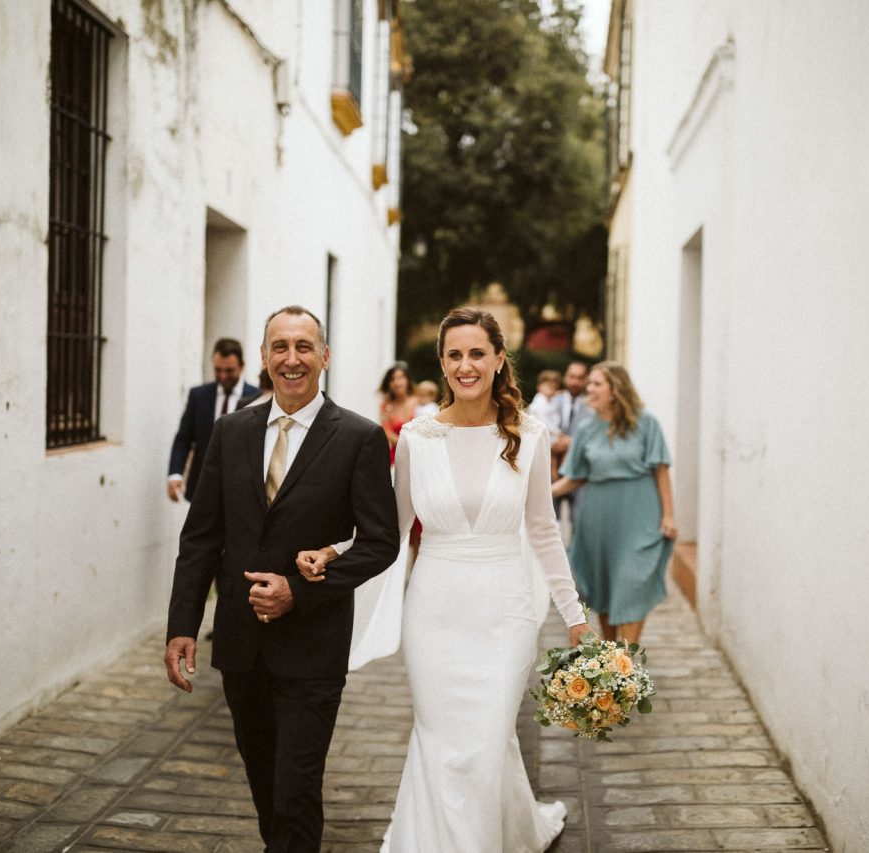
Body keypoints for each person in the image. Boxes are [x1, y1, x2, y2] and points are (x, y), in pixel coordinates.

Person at [297, 307, 588, 852]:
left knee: (483, 739)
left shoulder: (530, 436)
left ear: (500, 359)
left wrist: (574, 615)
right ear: (442, 362)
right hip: (435, 611)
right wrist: (334, 550)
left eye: (477, 353)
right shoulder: (417, 437)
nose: (465, 365)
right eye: (454, 355)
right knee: (442, 740)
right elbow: (389, 526)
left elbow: (544, 532)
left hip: (506, 610)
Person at [163, 306, 399, 850]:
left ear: (325, 357)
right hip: (242, 646)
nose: (292, 359)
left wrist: (302, 589)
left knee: (296, 791)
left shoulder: (358, 438)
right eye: (280, 347)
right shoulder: (229, 431)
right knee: (266, 787)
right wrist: (183, 623)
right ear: (265, 357)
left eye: (304, 347)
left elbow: (381, 541)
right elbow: (201, 537)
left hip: (313, 647)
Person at [552, 362, 677, 645]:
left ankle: (628, 661)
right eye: (590, 384)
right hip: (598, 517)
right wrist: (538, 494)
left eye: (597, 384)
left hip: (640, 512)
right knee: (604, 587)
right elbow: (574, 478)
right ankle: (611, 658)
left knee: (631, 582)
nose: (589, 389)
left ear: (615, 389)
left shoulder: (646, 423)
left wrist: (669, 515)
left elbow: (661, 469)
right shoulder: (585, 429)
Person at [167, 338, 259, 502]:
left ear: (242, 365)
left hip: (241, 492)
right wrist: (175, 474)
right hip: (201, 488)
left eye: (229, 371)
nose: (223, 376)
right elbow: (183, 439)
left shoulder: (257, 398)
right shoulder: (198, 395)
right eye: (218, 370)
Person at [550, 361, 594, 526]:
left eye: (580, 377)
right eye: (572, 377)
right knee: (551, 521)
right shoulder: (553, 400)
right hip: (553, 469)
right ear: (565, 378)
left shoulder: (592, 404)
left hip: (579, 470)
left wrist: (572, 443)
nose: (575, 381)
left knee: (579, 520)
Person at [379, 362, 417, 463]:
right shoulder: (386, 406)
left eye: (400, 378)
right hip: (395, 457)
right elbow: (386, 431)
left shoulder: (418, 403)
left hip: (416, 455)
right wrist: (405, 445)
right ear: (388, 384)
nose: (397, 382)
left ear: (407, 380)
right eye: (392, 379)